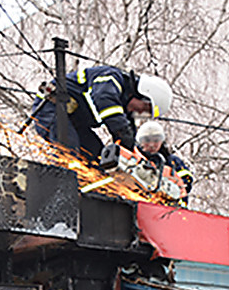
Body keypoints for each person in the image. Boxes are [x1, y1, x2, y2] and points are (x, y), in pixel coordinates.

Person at [29, 65, 173, 161]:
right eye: (144, 109)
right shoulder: (112, 77)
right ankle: (62, 186)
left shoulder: (125, 104)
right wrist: (122, 132)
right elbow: (104, 99)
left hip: (74, 121)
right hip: (50, 109)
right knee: (69, 151)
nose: (139, 112)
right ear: (142, 94)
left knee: (96, 156)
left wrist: (136, 156)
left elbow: (127, 135)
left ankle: (88, 192)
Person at [135, 120, 193, 194]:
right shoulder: (134, 158)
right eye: (147, 140)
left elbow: (186, 183)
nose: (151, 144)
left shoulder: (173, 161)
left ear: (161, 141)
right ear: (140, 141)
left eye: (156, 140)